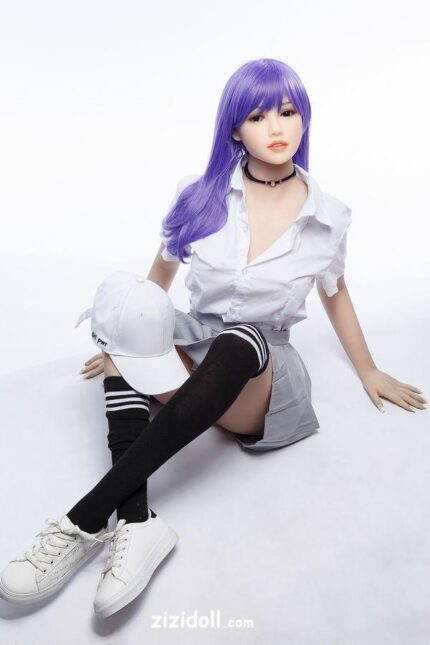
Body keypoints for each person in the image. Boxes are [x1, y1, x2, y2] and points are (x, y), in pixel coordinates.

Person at [0, 57, 426, 619]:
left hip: (259, 374)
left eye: (288, 112)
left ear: (305, 120)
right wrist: (125, 340)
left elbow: (336, 293)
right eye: (258, 116)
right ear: (234, 129)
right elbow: (160, 273)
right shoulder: (199, 195)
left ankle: (82, 518)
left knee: (239, 338)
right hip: (196, 355)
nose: (276, 127)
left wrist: (368, 370)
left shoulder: (328, 217)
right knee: (127, 323)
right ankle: (137, 523)